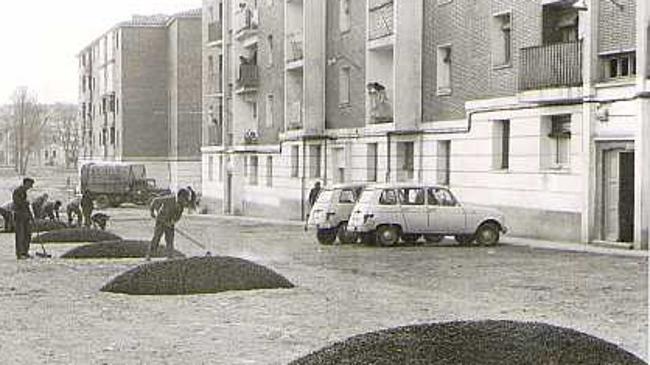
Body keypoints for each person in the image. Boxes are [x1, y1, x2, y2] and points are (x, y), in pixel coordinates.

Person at [146, 189, 191, 261]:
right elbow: (155, 200)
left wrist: (172, 222)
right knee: (156, 238)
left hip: (170, 222)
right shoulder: (169, 199)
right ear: (180, 196)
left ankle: (170, 257)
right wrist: (152, 212)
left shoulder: (181, 205)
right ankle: (149, 255)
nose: (185, 201)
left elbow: (178, 216)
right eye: (184, 198)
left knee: (170, 239)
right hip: (161, 220)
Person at [13, 178, 35, 259]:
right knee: (20, 235)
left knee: (27, 234)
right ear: (26, 183)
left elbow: (26, 206)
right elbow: (18, 203)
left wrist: (31, 216)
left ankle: (25, 252)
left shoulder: (24, 192)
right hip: (19, 216)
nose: (31, 187)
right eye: (30, 184)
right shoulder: (17, 191)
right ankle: (20, 253)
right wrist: (25, 203)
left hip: (25, 217)